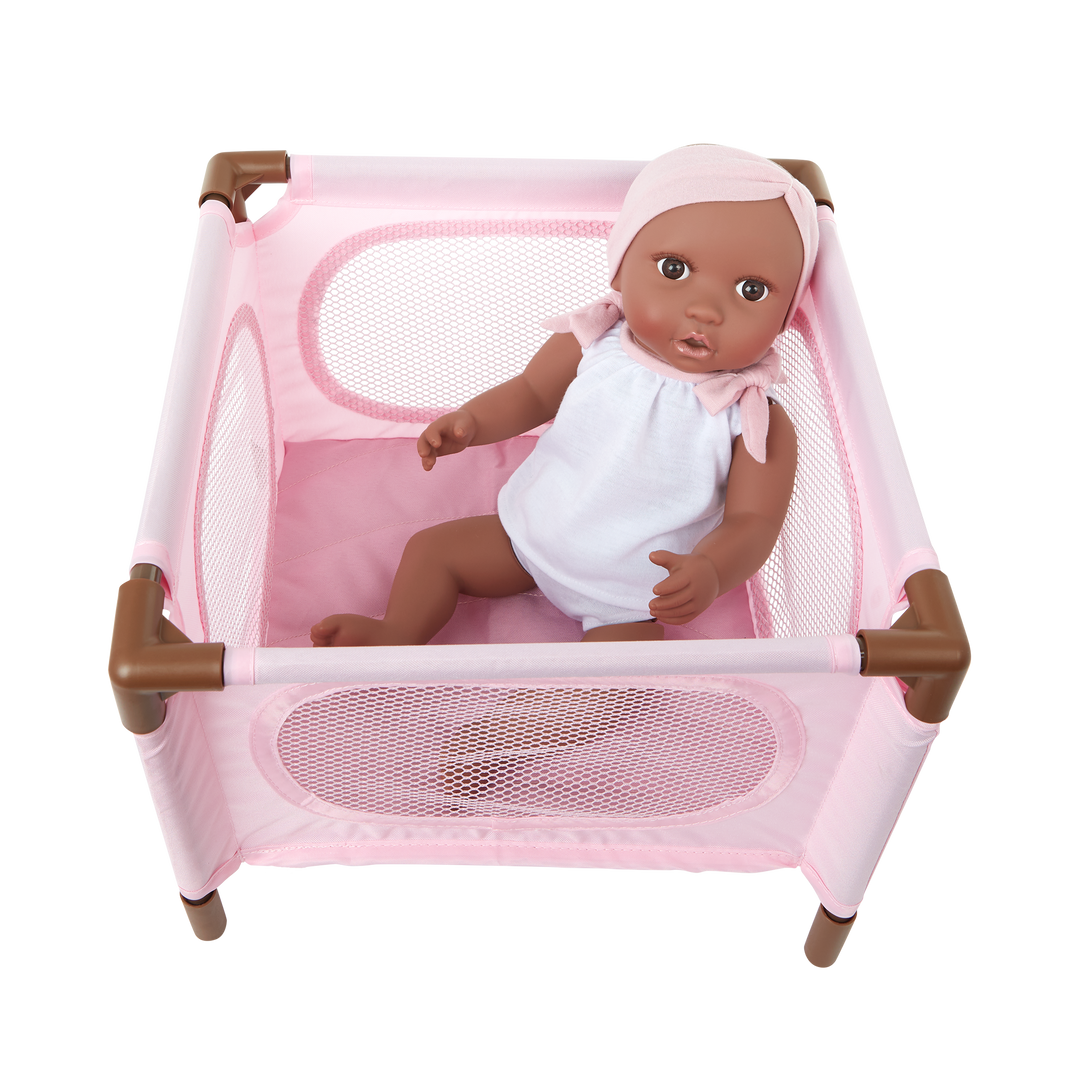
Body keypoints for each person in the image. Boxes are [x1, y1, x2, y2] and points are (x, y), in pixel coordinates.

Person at [311, 142, 818, 648]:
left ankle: (564, 704)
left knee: (623, 668)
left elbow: (753, 522)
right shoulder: (595, 339)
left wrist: (710, 569)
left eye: (751, 290)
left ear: (784, 318)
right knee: (432, 551)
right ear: (620, 268)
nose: (705, 310)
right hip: (531, 535)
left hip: (631, 590)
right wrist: (472, 422)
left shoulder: (751, 417)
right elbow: (531, 393)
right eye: (674, 269)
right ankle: (398, 633)